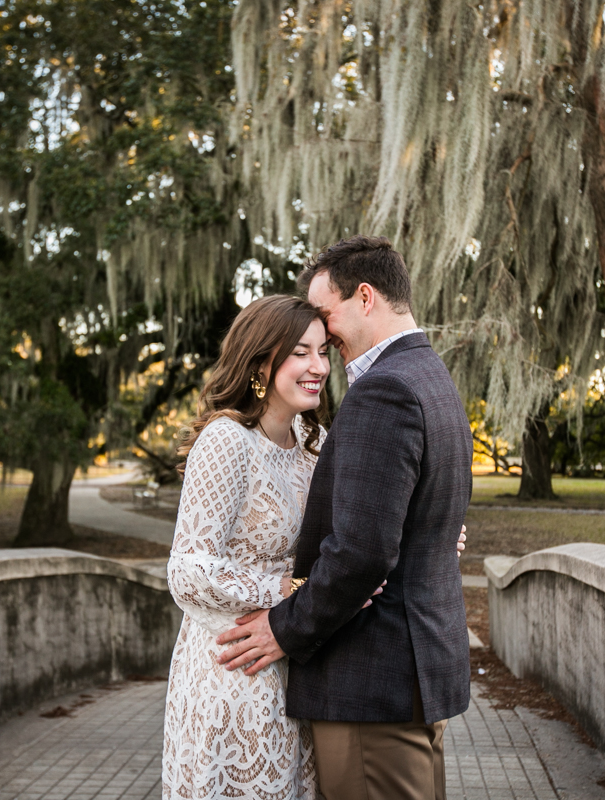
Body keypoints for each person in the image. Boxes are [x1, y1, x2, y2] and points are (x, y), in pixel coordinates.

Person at [216, 235, 473, 800]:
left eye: (325, 314)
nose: (323, 333)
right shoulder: (431, 375)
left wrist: (285, 628)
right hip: (414, 673)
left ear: (364, 297)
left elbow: (362, 552)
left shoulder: (384, 390)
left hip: (372, 679)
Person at [161, 294, 332, 799]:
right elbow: (188, 569)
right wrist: (282, 587)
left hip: (291, 660)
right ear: (262, 362)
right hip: (232, 671)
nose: (318, 367)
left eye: (323, 352)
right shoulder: (228, 440)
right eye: (301, 352)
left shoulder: (309, 441)